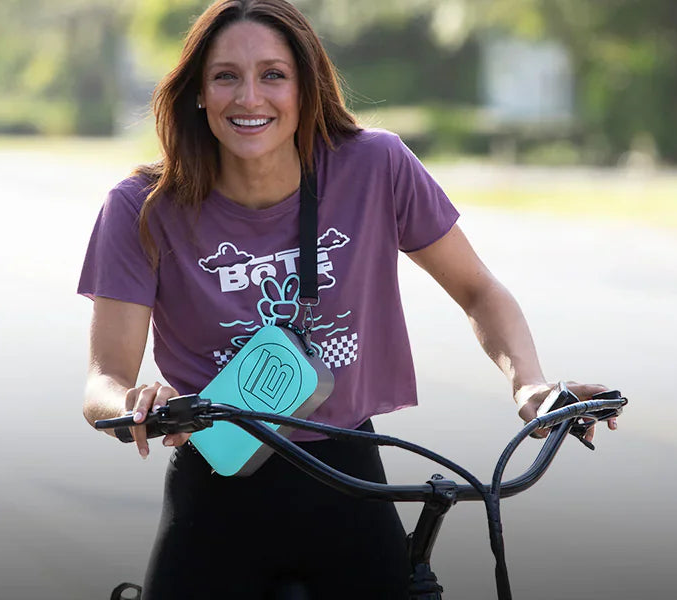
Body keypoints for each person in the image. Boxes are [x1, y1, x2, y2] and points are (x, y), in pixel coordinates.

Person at [75, 1, 622, 597]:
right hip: (214, 481)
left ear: (307, 90)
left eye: (274, 75)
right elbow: (103, 380)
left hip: (349, 477)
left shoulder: (376, 164)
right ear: (199, 93)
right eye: (226, 76)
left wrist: (531, 388)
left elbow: (478, 290)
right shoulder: (141, 206)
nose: (249, 97)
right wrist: (142, 404)